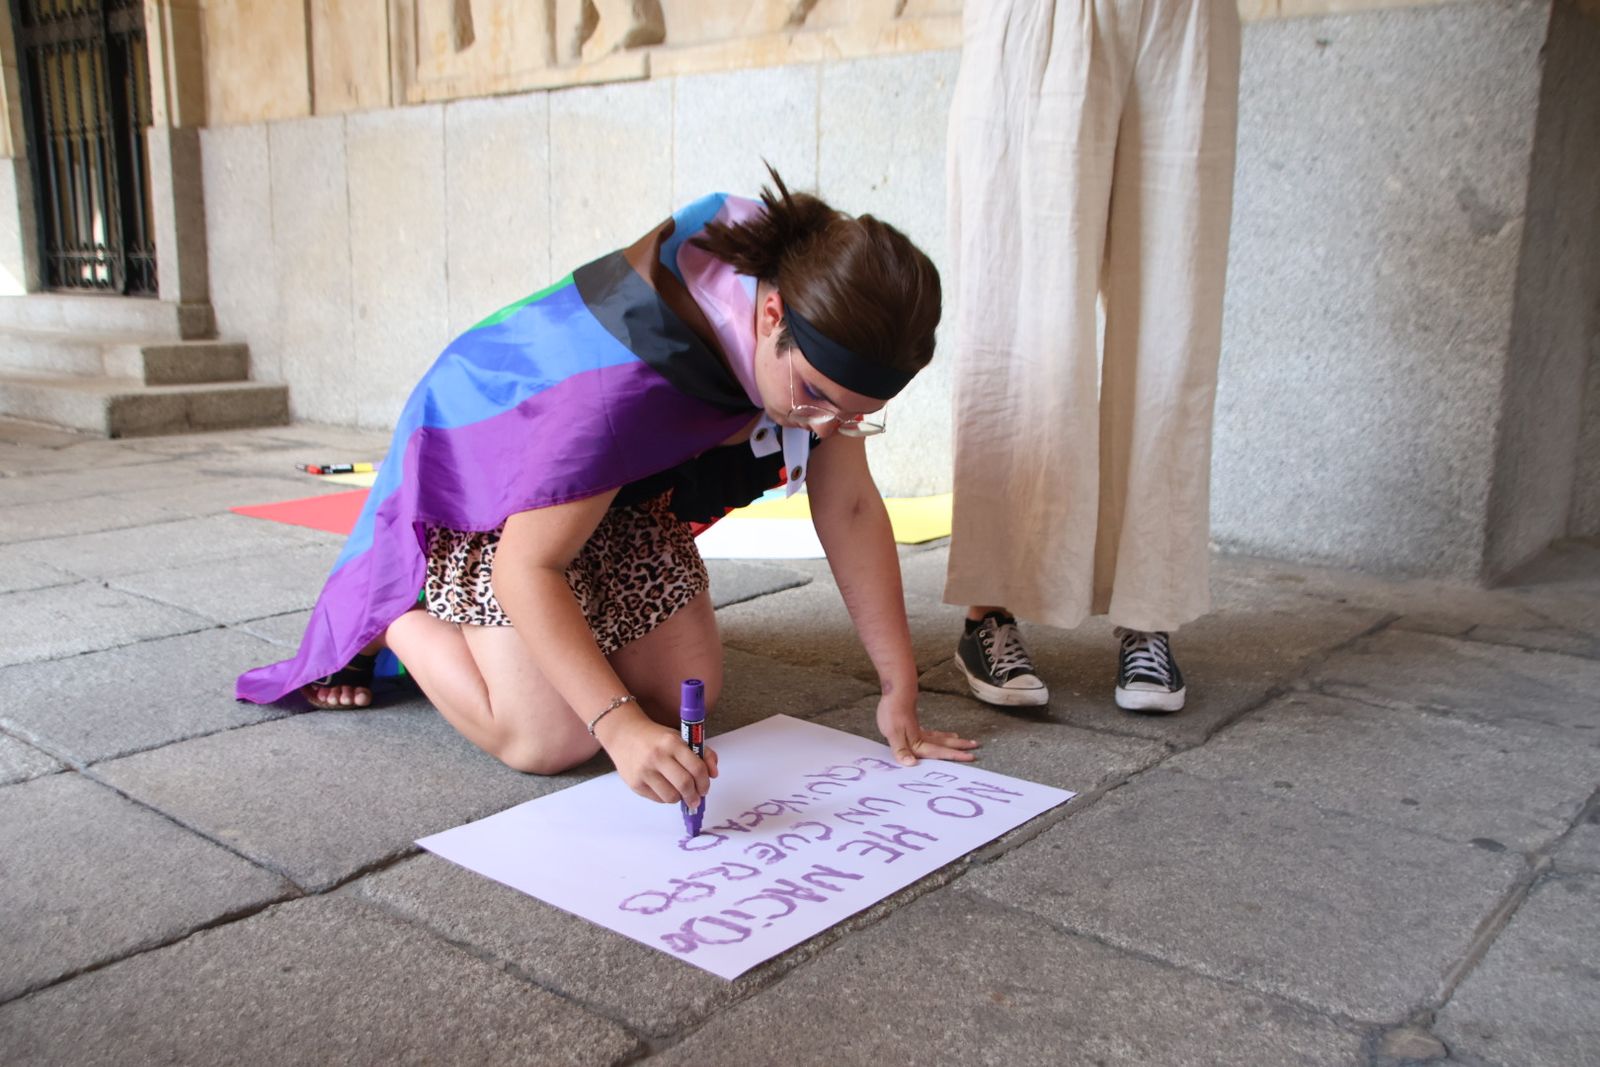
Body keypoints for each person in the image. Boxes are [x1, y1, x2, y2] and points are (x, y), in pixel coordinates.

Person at [237, 170, 978, 810]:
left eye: (856, 416)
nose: (827, 426)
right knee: (548, 736)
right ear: (772, 314)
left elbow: (847, 504)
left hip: (617, 494)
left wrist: (898, 681)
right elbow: (526, 566)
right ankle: (396, 614)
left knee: (689, 689)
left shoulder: (814, 349)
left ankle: (553, 652)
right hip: (503, 500)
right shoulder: (623, 386)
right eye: (816, 398)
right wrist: (616, 723)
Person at [943, 0, 1241, 714]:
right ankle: (989, 612)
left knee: (1174, 320)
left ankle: (1150, 611)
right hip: (1037, 16)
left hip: (1183, 18)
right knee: (1019, 320)